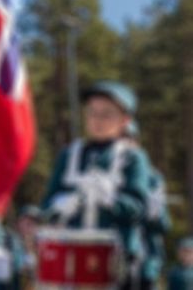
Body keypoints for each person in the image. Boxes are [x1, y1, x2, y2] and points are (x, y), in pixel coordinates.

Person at [41, 81, 152, 289]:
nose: (97, 120)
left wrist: (110, 200)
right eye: (92, 112)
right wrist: (61, 204)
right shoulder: (69, 155)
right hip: (71, 260)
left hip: (116, 261)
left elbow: (140, 208)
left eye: (107, 114)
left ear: (124, 120)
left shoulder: (132, 158)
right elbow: (46, 204)